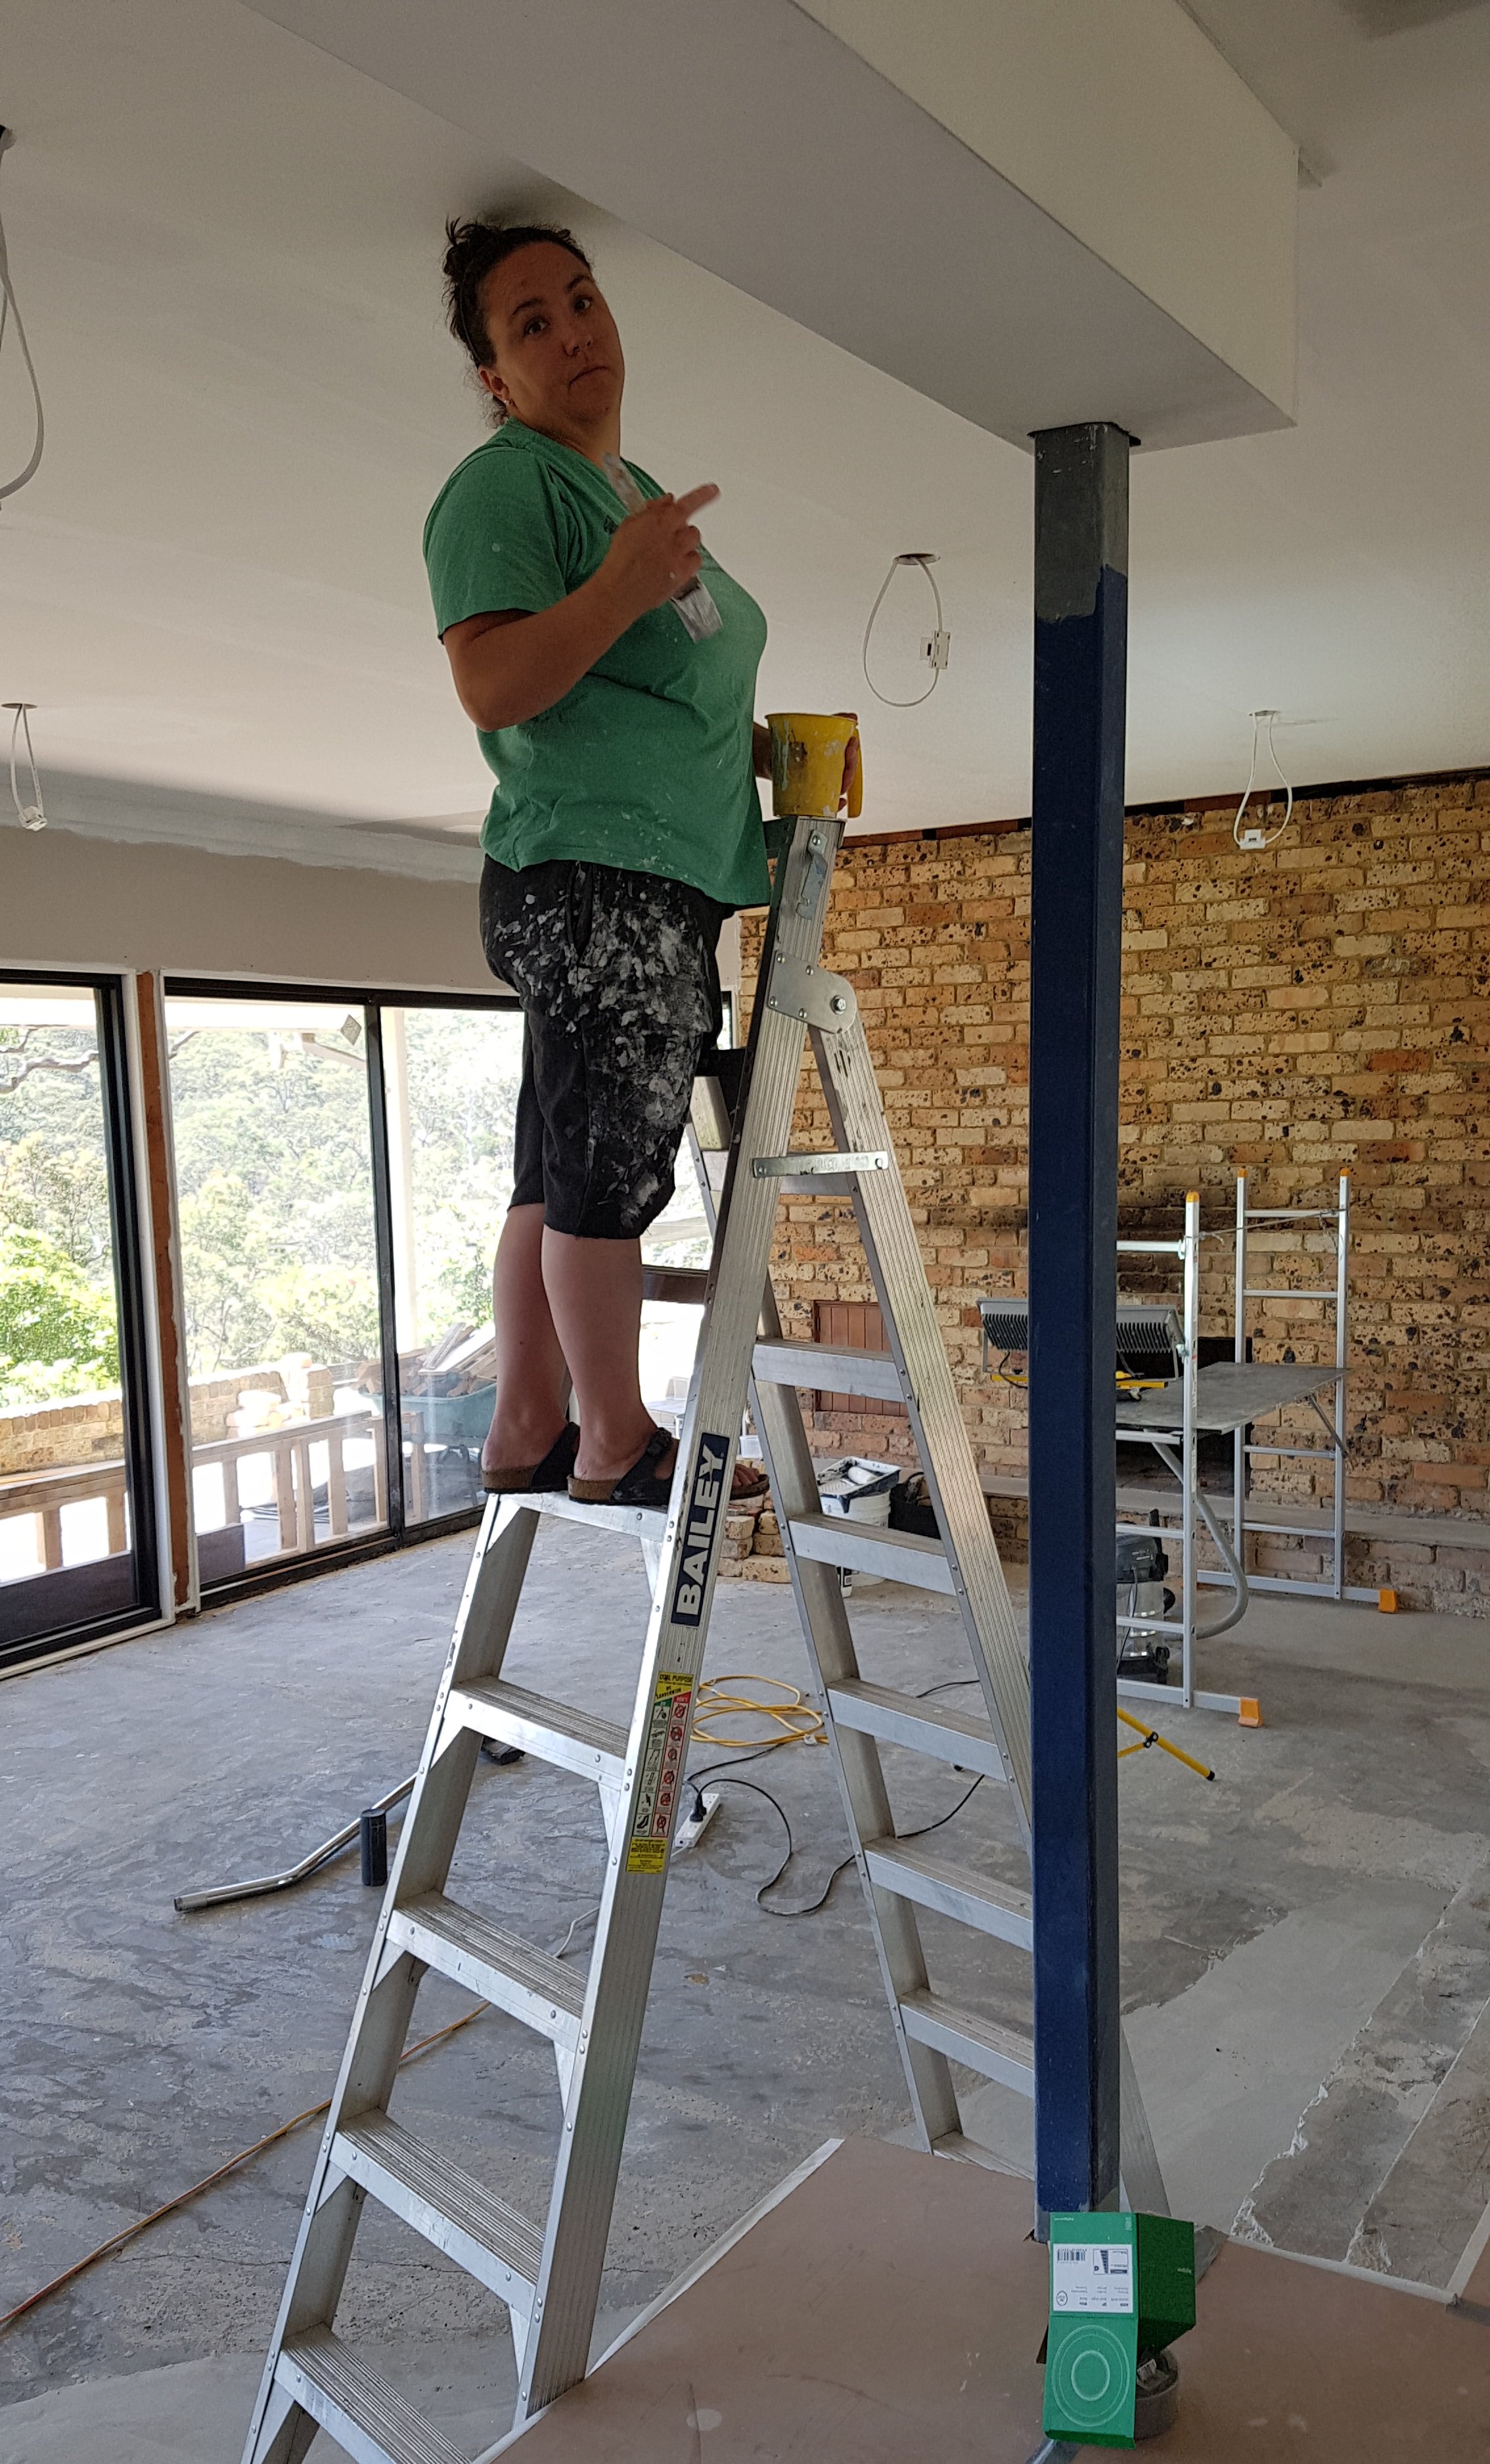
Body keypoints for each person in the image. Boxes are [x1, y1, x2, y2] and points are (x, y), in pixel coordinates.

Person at [425, 217, 853, 1506]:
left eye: (583, 300)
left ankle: (527, 1426)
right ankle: (614, 1440)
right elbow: (493, 683)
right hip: (599, 882)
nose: (574, 332)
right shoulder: (506, 486)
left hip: (624, 880)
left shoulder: (627, 490)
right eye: (533, 323)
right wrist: (620, 583)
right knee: (608, 1182)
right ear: (496, 377)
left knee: (560, 1171)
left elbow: (661, 685)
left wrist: (771, 760)